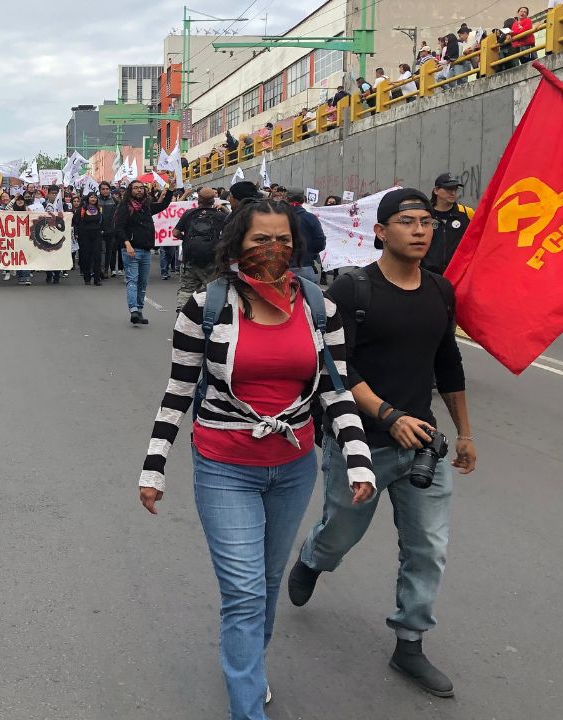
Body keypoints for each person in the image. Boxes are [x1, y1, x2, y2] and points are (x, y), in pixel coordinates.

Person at [140, 200, 375, 720]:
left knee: (266, 584)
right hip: (224, 466)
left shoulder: (320, 309)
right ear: (236, 244)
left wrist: (358, 459)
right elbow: (179, 391)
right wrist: (153, 466)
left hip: (292, 470)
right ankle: (247, 708)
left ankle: (251, 666)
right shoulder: (205, 307)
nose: (273, 251)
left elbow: (335, 392)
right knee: (244, 592)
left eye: (283, 241)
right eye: (260, 240)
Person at [290, 188, 477, 700]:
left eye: (426, 223)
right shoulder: (352, 290)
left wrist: (462, 432)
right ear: (380, 232)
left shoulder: (441, 291)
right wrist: (389, 416)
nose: (420, 230)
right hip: (360, 445)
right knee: (340, 537)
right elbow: (338, 369)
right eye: (407, 222)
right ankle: (312, 558)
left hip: (424, 445)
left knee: (428, 548)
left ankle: (410, 642)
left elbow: (448, 364)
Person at [112, 180, 172, 325]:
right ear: (130, 191)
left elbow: (163, 205)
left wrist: (170, 190)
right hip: (131, 250)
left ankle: (139, 310)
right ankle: (133, 310)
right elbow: (119, 228)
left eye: (141, 188)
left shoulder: (146, 206)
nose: (139, 190)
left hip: (146, 250)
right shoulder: (125, 207)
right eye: (136, 188)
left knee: (142, 282)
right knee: (132, 280)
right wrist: (127, 244)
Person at [173, 187, 228, 311]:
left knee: (187, 289)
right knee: (210, 289)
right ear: (214, 200)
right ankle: (207, 316)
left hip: (190, 259)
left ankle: (182, 314)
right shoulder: (220, 216)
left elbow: (175, 233)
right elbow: (233, 225)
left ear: (198, 199)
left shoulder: (189, 214)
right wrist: (224, 209)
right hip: (212, 260)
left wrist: (185, 239)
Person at [422, 173, 475, 274]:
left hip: (458, 274)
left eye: (455, 189)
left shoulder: (467, 213)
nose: (453, 193)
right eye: (448, 189)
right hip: (429, 274)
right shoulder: (425, 214)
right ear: (436, 190)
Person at [285, 192, 326, 283]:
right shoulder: (311, 218)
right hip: (305, 266)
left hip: (282, 268)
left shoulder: (279, 217)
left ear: (286, 199)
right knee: (309, 295)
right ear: (303, 200)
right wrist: (309, 252)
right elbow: (320, 243)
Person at [76, 192, 104, 286]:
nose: (93, 199)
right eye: (91, 197)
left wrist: (102, 230)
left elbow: (102, 221)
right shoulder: (82, 209)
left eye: (95, 197)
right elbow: (77, 222)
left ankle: (97, 279)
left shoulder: (99, 209)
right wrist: (77, 234)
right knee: (86, 257)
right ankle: (87, 277)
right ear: (88, 198)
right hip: (85, 236)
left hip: (97, 236)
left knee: (97, 257)